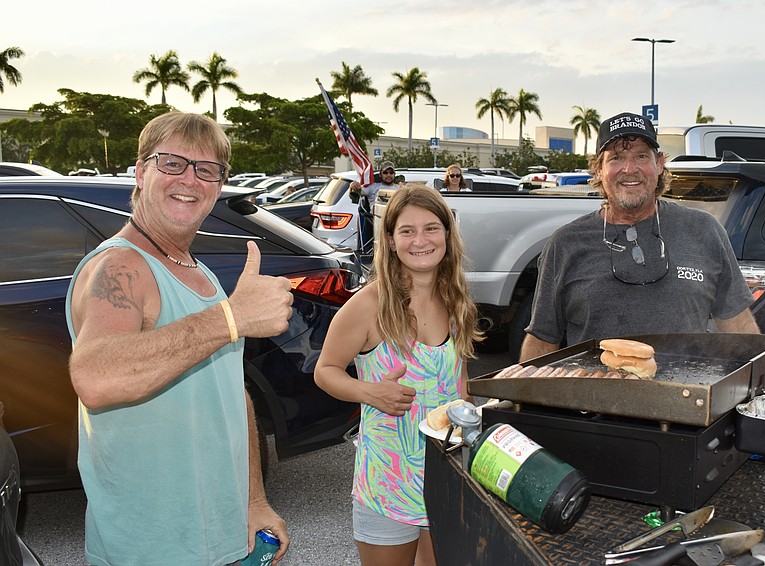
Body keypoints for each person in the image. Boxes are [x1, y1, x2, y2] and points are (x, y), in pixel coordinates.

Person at [65, 112, 292, 565]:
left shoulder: (199, 273)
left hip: (220, 540)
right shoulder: (120, 266)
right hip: (151, 548)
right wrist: (232, 316)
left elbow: (232, 394)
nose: (190, 179)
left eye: (207, 170)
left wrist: (253, 501)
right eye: (172, 163)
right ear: (141, 172)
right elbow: (95, 377)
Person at [314, 183, 482, 566]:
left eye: (431, 228)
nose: (420, 240)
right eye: (407, 231)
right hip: (387, 482)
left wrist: (474, 420)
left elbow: (460, 386)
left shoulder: (456, 302)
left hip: (445, 473)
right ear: (390, 240)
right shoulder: (368, 305)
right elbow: (325, 371)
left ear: (446, 234)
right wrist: (371, 392)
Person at [521, 112, 760, 361]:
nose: (629, 169)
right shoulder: (565, 244)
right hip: (595, 395)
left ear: (659, 164)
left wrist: (758, 386)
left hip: (687, 395)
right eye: (616, 158)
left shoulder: (704, 230)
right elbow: (542, 339)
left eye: (641, 156)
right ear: (599, 170)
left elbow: (737, 325)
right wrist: (520, 395)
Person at [349, 161, 399, 255]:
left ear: (394, 174)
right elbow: (358, 192)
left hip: (396, 218)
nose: (388, 175)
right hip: (377, 218)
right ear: (380, 174)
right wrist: (353, 186)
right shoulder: (373, 187)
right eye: (385, 172)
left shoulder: (399, 188)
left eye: (391, 173)